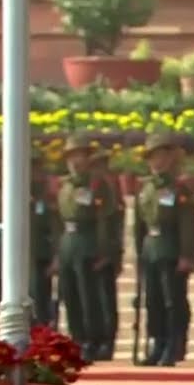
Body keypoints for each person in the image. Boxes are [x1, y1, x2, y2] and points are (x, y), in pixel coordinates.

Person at [134, 134, 194, 367]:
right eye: (153, 157)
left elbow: (187, 225)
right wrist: (139, 253)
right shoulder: (146, 189)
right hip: (151, 250)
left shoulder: (179, 190)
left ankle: (173, 345)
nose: (157, 162)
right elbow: (139, 225)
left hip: (172, 251)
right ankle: (158, 343)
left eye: (161, 156)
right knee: (153, 301)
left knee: (173, 302)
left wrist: (187, 255)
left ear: (170, 159)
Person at [0, 140, 59, 326]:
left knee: (32, 293)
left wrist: (54, 253)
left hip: (25, 243)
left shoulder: (29, 187)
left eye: (1, 159)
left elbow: (51, 222)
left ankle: (37, 329)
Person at [56, 136, 118, 363]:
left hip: (88, 241)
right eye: (71, 157)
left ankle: (93, 340)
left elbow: (105, 219)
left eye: (79, 156)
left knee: (88, 296)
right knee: (70, 294)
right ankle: (78, 338)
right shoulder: (65, 185)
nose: (75, 162)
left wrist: (104, 250)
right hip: (68, 243)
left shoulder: (97, 185)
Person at [90, 149, 123, 361]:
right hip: (90, 251)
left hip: (106, 252)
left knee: (105, 300)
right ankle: (96, 340)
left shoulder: (110, 190)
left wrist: (110, 254)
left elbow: (113, 226)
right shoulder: (96, 188)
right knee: (94, 300)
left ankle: (107, 342)